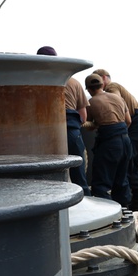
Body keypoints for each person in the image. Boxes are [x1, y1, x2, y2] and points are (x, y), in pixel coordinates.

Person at [93, 68, 138, 210]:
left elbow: (116, 102)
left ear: (105, 78)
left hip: (133, 129)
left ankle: (134, 205)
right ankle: (136, 205)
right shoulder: (114, 89)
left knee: (128, 167)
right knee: (132, 165)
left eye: (99, 80)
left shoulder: (112, 88)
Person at [38, 46, 91, 195]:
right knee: (78, 173)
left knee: (48, 174)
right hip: (71, 130)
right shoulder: (73, 82)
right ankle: (84, 205)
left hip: (43, 132)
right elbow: (84, 117)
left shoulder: (34, 79)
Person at [84, 73, 132, 206]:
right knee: (121, 181)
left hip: (109, 143)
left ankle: (108, 215)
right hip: (125, 140)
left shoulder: (91, 102)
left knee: (101, 184)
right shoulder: (118, 98)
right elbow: (128, 120)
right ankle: (125, 213)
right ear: (101, 85)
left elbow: (88, 125)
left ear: (88, 89)